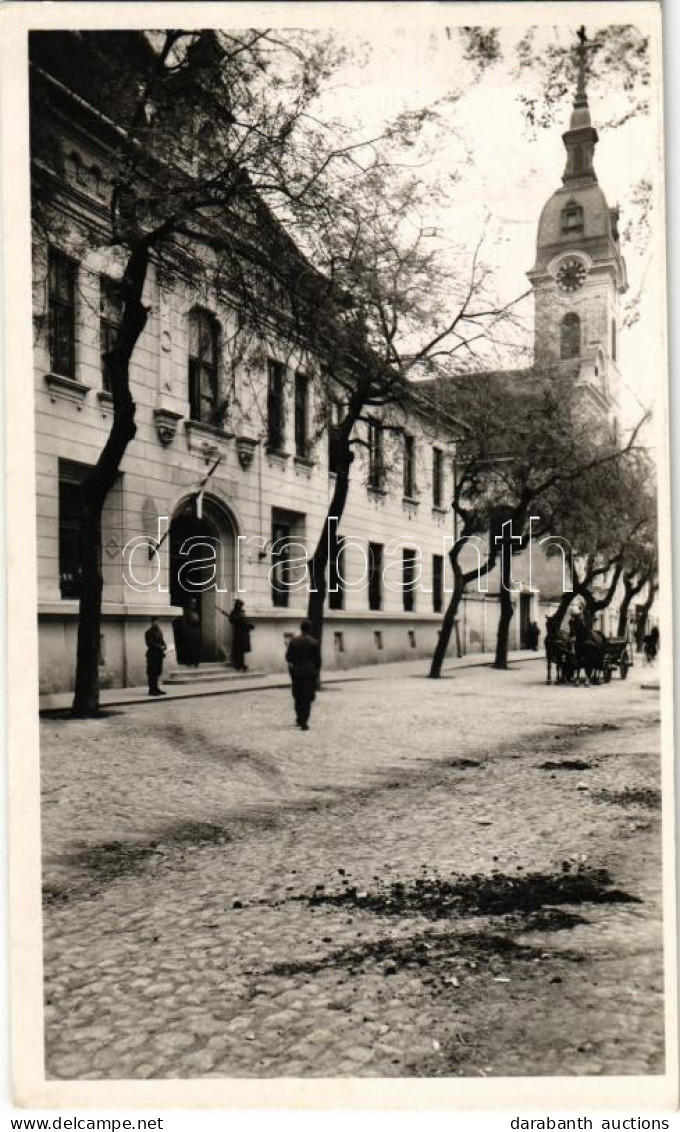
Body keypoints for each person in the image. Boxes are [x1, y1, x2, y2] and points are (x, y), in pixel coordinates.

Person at [285, 620, 321, 731]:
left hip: (297, 672)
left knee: (298, 695)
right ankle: (304, 720)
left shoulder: (294, 641)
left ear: (301, 629)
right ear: (309, 629)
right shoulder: (313, 642)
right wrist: (316, 671)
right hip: (310, 673)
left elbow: (288, 657)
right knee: (307, 697)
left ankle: (299, 718)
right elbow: (318, 660)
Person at [228, 599, 254, 672]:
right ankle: (237, 664)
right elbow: (232, 620)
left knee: (242, 650)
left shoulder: (242, 612)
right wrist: (237, 618)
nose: (240, 606)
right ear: (236, 605)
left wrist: (249, 625)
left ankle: (241, 664)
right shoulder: (234, 613)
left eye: (241, 605)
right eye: (239, 605)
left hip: (243, 634)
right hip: (238, 634)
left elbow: (245, 621)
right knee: (237, 650)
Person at [145, 617, 167, 696]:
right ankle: (152, 690)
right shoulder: (148, 632)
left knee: (158, 672)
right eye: (154, 622)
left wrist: (164, 646)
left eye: (157, 622)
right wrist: (159, 647)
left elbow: (162, 641)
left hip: (159, 655)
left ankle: (156, 688)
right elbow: (149, 643)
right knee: (152, 673)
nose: (156, 623)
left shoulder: (159, 631)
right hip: (152, 655)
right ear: (152, 622)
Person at [183, 598, 201, 668]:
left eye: (194, 603)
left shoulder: (196, 612)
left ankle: (196, 661)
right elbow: (184, 622)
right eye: (192, 603)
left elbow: (197, 621)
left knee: (196, 646)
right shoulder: (187, 612)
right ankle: (189, 661)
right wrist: (185, 630)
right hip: (190, 630)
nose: (193, 605)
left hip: (195, 631)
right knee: (190, 646)